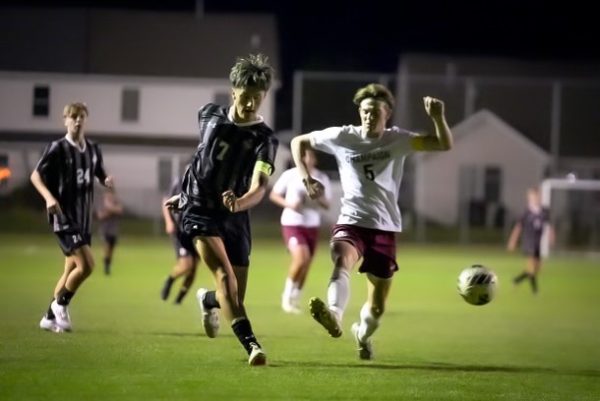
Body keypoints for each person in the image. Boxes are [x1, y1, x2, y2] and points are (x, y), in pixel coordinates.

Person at [290, 83, 453, 360]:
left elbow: (443, 144)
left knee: (377, 308)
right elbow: (298, 142)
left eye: (375, 112)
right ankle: (334, 314)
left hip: (384, 227)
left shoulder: (398, 139)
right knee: (341, 259)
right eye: (365, 111)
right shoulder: (342, 136)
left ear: (387, 113)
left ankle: (362, 335)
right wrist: (307, 178)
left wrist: (437, 117)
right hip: (351, 221)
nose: (369, 117)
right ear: (359, 112)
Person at [165, 54, 277, 366]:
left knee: (234, 294)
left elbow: (260, 186)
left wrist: (240, 203)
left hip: (236, 217)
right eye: (246, 95)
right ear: (233, 91)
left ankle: (207, 299)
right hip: (201, 212)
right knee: (224, 277)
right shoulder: (208, 115)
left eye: (259, 97)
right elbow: (200, 159)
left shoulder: (265, 139)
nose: (252, 102)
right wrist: (185, 196)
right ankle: (253, 346)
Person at [31, 102, 113, 333]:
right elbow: (35, 176)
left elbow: (99, 171)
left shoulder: (93, 149)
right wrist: (48, 198)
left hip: (84, 219)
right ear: (65, 120)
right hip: (64, 218)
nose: (78, 120)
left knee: (70, 271)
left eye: (81, 116)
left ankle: (48, 317)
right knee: (87, 266)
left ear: (86, 119)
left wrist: (104, 180)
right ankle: (60, 304)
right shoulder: (57, 148)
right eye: (73, 116)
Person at [269, 149, 332, 314]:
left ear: (315, 159)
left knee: (307, 263)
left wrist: (317, 196)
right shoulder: (291, 175)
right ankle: (286, 297)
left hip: (312, 224)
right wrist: (290, 205)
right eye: (303, 156)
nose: (306, 159)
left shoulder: (321, 177)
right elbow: (274, 195)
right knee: (300, 259)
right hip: (293, 222)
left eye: (309, 156)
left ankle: (296, 297)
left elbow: (327, 204)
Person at [160, 176, 201, 304]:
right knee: (187, 265)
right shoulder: (180, 180)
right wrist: (168, 221)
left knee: (194, 268)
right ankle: (170, 279)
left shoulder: (205, 181)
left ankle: (178, 300)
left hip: (198, 231)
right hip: (181, 229)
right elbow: (166, 200)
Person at [507, 187, 555, 294]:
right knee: (532, 267)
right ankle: (535, 291)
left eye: (537, 197)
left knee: (537, 268)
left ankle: (517, 280)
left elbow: (549, 225)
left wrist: (552, 236)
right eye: (532, 197)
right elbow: (518, 227)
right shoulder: (526, 212)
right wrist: (512, 241)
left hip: (538, 244)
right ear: (529, 198)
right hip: (528, 243)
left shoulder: (544, 211)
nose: (535, 199)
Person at [97, 187, 124, 275]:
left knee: (111, 250)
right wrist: (109, 212)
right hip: (105, 230)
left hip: (114, 230)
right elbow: (100, 216)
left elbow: (120, 210)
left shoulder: (116, 202)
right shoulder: (102, 204)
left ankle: (108, 264)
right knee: (106, 248)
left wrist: (111, 209)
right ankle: (105, 266)